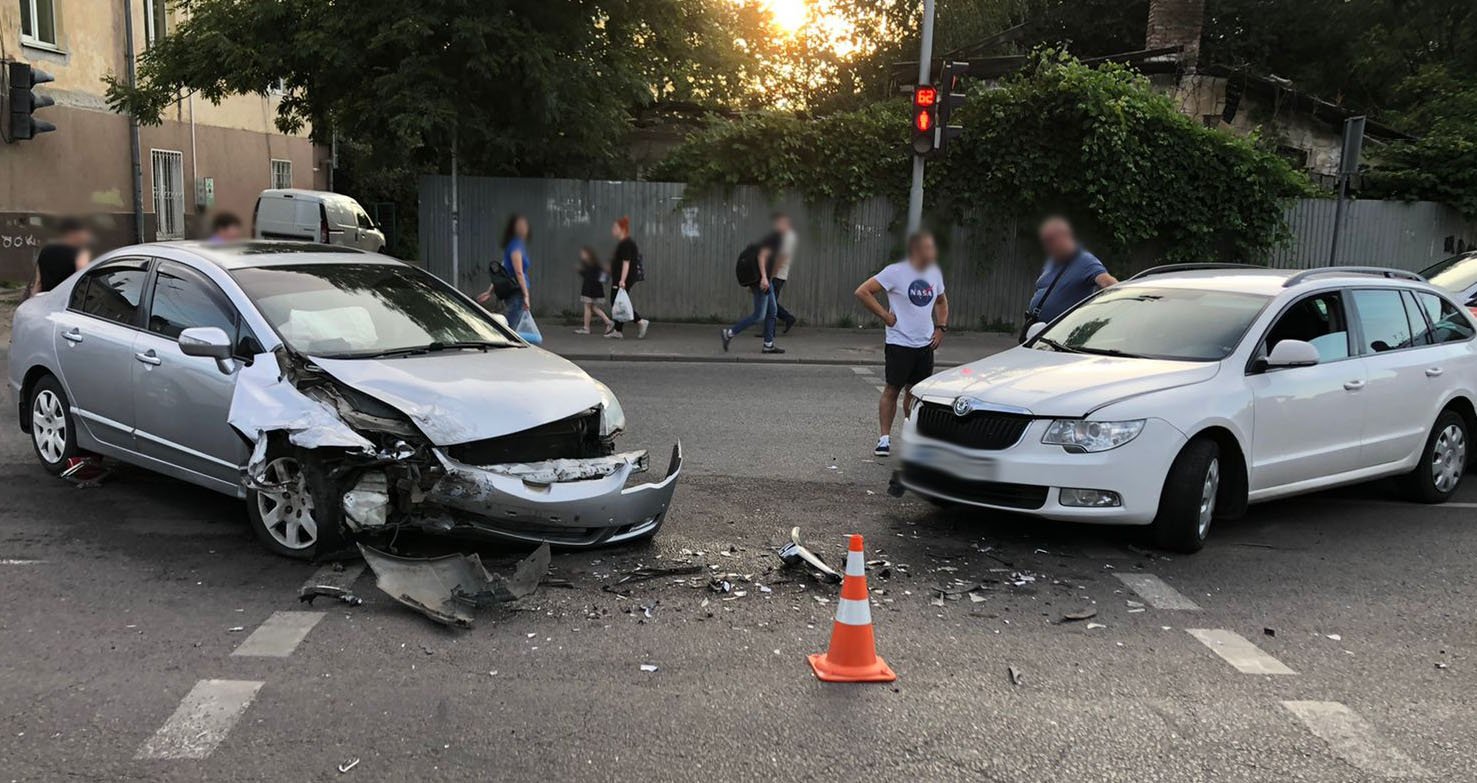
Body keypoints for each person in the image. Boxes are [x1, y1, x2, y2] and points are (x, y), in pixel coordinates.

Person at [854, 231, 949, 457]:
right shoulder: (895, 272)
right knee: (892, 389)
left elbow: (941, 301)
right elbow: (863, 291)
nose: (932, 252)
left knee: (915, 393)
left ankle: (912, 436)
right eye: (928, 248)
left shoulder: (934, 272)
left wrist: (941, 328)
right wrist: (885, 316)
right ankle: (884, 439)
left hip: (924, 344)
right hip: (899, 343)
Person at [1023, 216, 1118, 338]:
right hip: (1038, 328)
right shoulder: (1053, 261)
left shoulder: (1085, 260)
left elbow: (1108, 283)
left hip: (1063, 335)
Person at [720, 224, 786, 354]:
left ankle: (768, 344)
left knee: (772, 311)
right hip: (762, 281)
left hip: (766, 281)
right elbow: (761, 257)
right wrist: (764, 278)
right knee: (759, 316)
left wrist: (768, 279)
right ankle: (729, 333)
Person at [478, 214, 532, 329]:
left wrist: (489, 291)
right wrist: (526, 295)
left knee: (512, 325)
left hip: (512, 292)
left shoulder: (513, 245)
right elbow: (519, 272)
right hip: (517, 291)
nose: (525, 228)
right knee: (512, 328)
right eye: (521, 226)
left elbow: (503, 270)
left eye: (525, 225)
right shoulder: (516, 245)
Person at [607, 217, 650, 339]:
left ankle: (640, 321)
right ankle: (618, 331)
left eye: (615, 227)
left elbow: (626, 263)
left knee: (617, 302)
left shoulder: (626, 243)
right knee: (618, 302)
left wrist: (622, 280)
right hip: (621, 277)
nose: (613, 230)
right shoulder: (624, 243)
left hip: (622, 278)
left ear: (622, 229)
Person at [30, 218, 93, 297]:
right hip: (66, 299)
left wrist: (32, 300)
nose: (86, 236)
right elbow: (83, 280)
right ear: (73, 233)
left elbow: (38, 282)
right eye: (84, 232)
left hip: (47, 298)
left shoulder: (45, 250)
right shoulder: (81, 252)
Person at [574, 246, 614, 335]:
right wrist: (581, 271)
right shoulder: (592, 265)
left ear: (589, 254)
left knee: (588, 307)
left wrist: (581, 271)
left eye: (584, 254)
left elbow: (591, 277)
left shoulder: (592, 265)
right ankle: (608, 322)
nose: (582, 255)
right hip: (593, 289)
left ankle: (586, 328)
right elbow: (592, 276)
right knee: (593, 308)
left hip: (590, 289)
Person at [770, 213, 799, 334]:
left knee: (770, 304)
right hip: (779, 274)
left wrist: (771, 274)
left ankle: (771, 330)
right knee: (770, 303)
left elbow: (782, 257)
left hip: (778, 275)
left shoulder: (788, 237)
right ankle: (787, 319)